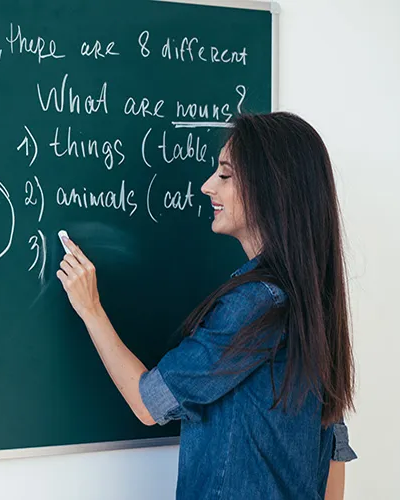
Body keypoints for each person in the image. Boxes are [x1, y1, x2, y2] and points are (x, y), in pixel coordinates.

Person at [56, 112, 357, 500]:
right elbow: (333, 442)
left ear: (271, 188)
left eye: (226, 175)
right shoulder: (313, 299)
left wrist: (91, 307)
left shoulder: (254, 304)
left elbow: (149, 402)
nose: (206, 186)